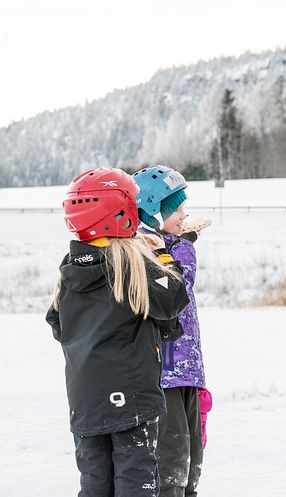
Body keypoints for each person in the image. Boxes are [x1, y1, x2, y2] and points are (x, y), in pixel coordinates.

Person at [46, 167, 189, 497]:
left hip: (84, 401)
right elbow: (171, 299)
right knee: (136, 480)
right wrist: (162, 255)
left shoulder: (68, 268)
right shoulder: (129, 261)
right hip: (131, 396)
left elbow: (57, 324)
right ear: (121, 212)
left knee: (94, 483)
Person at [132, 164, 209, 497]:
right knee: (172, 460)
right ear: (152, 213)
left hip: (187, 370)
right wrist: (185, 246)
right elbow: (179, 287)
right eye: (175, 210)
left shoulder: (171, 245)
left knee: (192, 458)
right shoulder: (145, 248)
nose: (182, 215)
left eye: (182, 209)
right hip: (164, 372)